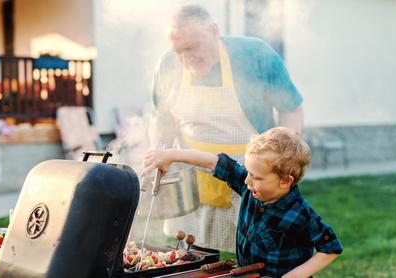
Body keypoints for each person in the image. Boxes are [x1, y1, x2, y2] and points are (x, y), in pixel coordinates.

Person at [148, 4, 303, 252]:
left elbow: (291, 107)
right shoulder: (167, 65)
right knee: (196, 256)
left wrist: (285, 160)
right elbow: (162, 118)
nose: (186, 59)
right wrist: (159, 149)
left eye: (192, 47)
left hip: (250, 175)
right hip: (195, 177)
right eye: (179, 50)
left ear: (214, 31)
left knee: (257, 255)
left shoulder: (256, 55)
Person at [143, 127, 343, 278]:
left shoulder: (300, 213)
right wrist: (170, 155)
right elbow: (214, 162)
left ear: (285, 181)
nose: (247, 181)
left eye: (256, 177)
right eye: (248, 173)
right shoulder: (252, 189)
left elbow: (330, 247)